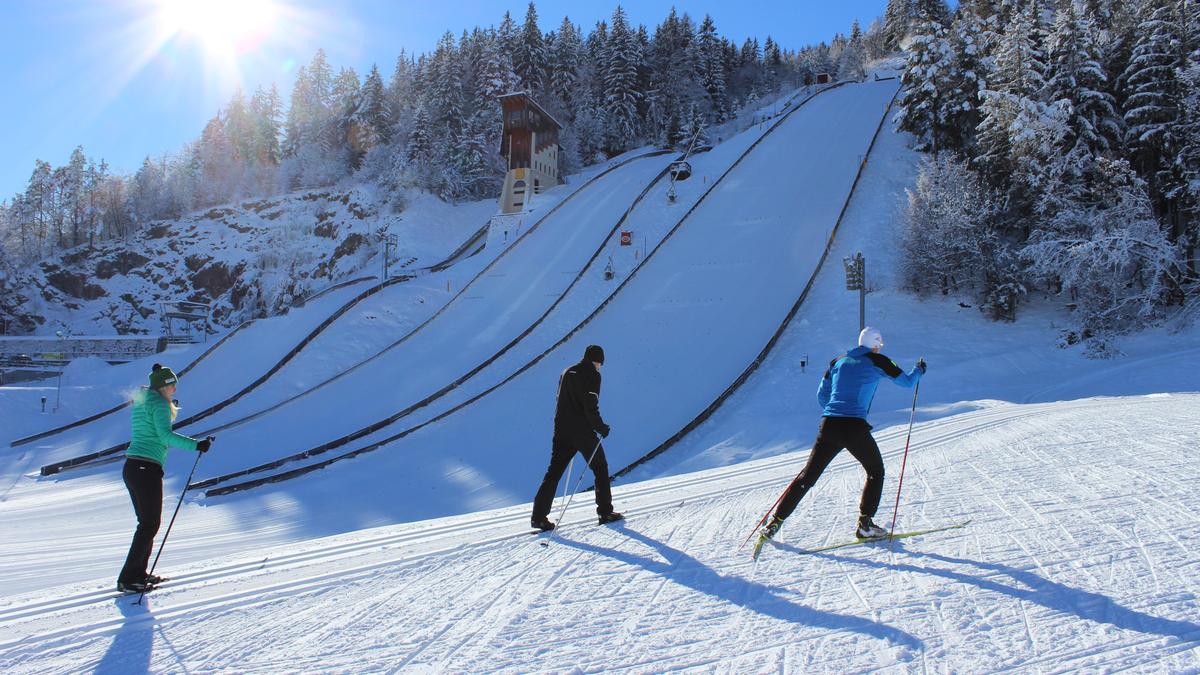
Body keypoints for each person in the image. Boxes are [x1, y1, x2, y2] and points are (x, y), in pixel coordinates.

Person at [760, 327, 925, 542]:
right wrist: (919, 369)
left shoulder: (837, 362)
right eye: (879, 344)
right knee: (875, 471)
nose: (880, 347)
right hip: (854, 426)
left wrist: (836, 408)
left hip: (829, 424)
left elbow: (822, 396)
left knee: (807, 477)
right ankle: (865, 525)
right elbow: (907, 382)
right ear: (875, 344)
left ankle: (774, 523)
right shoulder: (879, 361)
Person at [117, 363, 211, 593]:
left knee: (147, 523)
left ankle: (138, 574)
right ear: (163, 387)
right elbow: (164, 435)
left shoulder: (144, 401)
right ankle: (129, 578)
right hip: (145, 468)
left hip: (134, 467)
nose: (174, 391)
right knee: (149, 524)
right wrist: (196, 445)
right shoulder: (158, 403)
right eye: (172, 386)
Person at [531, 345, 623, 531]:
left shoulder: (567, 371)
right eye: (600, 363)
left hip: (561, 429)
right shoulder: (592, 375)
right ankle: (605, 512)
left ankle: (539, 517)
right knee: (600, 467)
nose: (600, 367)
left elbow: (560, 400)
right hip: (582, 431)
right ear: (597, 360)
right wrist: (600, 427)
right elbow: (590, 405)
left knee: (553, 473)